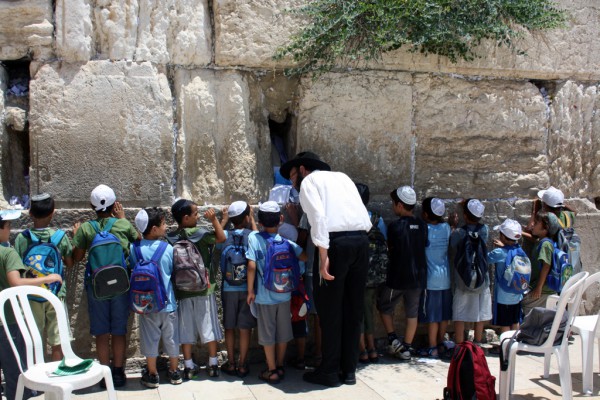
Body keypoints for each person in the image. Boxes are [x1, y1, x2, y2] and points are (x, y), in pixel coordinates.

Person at [280, 151, 371, 387]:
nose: (292, 183)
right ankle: (348, 371)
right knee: (353, 310)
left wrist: (323, 256)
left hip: (335, 244)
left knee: (330, 311)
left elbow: (318, 219)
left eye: (291, 177)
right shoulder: (343, 177)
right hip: (361, 242)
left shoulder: (309, 182)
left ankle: (329, 371)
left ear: (302, 170)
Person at [72, 184, 140, 388]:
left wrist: (77, 235)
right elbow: (137, 239)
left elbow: (77, 257)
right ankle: (119, 373)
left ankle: (105, 375)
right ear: (114, 204)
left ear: (91, 206)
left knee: (102, 332)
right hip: (121, 285)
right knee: (119, 330)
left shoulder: (86, 228)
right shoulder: (122, 225)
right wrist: (123, 219)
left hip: (97, 287)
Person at [1, 209, 61, 400]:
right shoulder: (7, 253)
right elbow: (16, 282)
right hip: (8, 319)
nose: (10, 229)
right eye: (8, 226)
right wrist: (47, 278)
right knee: (14, 371)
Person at [245, 201, 305, 385]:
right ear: (280, 219)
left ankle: (271, 370)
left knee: (267, 334)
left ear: (260, 221)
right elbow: (304, 257)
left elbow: (251, 266)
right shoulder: (286, 243)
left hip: (264, 296)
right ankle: (280, 365)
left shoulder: (254, 239)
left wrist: (250, 291)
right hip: (284, 294)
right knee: (283, 333)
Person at [167, 199, 226, 379]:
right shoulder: (200, 233)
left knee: (185, 329)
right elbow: (221, 237)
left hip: (182, 291)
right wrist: (216, 220)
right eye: (195, 214)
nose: (198, 216)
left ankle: (188, 366)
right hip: (204, 289)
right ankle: (213, 363)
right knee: (208, 326)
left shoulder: (172, 237)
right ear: (186, 218)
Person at [14, 193, 74, 361]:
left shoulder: (22, 238)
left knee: (35, 338)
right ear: (52, 213)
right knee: (57, 340)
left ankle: (37, 377)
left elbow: (17, 267)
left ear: (30, 214)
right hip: (56, 293)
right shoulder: (60, 237)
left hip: (31, 295)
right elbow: (69, 262)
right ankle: (56, 374)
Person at [130, 208, 181, 388]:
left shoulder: (134, 248)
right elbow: (171, 270)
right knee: (172, 337)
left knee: (150, 338)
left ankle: (152, 374)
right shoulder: (167, 248)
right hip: (167, 303)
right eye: (163, 224)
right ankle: (174, 372)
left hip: (146, 305)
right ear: (153, 229)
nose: (166, 227)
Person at [377, 186, 427, 360]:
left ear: (399, 205)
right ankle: (406, 347)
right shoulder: (422, 225)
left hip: (398, 276)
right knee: (412, 313)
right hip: (418, 277)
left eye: (393, 203)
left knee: (384, 306)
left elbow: (391, 247)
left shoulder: (395, 226)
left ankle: (393, 339)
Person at [218, 201, 257, 378]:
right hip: (248, 288)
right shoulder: (252, 236)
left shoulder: (225, 236)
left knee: (229, 326)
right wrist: (253, 219)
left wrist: (223, 220)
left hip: (228, 288)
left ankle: (231, 362)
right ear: (247, 217)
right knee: (244, 328)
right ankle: (242, 365)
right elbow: (258, 237)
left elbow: (216, 237)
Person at [450, 199, 492, 344]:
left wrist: (453, 226)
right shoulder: (485, 230)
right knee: (479, 314)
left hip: (463, 278)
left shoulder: (460, 232)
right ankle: (478, 343)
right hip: (482, 278)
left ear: (465, 216)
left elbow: (452, 244)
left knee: (459, 313)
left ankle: (460, 345)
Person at [355, 183, 387, 364]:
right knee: (368, 312)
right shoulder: (377, 219)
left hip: (355, 273)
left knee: (357, 313)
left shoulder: (350, 218)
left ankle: (363, 350)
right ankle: (372, 348)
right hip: (373, 274)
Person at [418, 197, 452, 358]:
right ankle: (440, 342)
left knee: (433, 315)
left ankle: (432, 346)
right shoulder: (446, 228)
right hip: (445, 277)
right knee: (444, 314)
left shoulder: (425, 229)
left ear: (425, 214)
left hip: (431, 279)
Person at [488, 218, 529, 333]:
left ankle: (505, 347)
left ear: (503, 236)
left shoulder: (499, 253)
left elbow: (486, 258)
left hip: (503, 296)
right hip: (517, 294)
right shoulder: (520, 251)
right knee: (515, 321)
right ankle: (514, 343)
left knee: (505, 324)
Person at [521, 211, 561, 317]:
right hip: (541, 288)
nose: (533, 224)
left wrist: (539, 287)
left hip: (543, 290)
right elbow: (532, 236)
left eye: (537, 222)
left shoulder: (546, 244)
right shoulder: (542, 241)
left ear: (545, 229)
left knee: (528, 311)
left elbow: (546, 265)